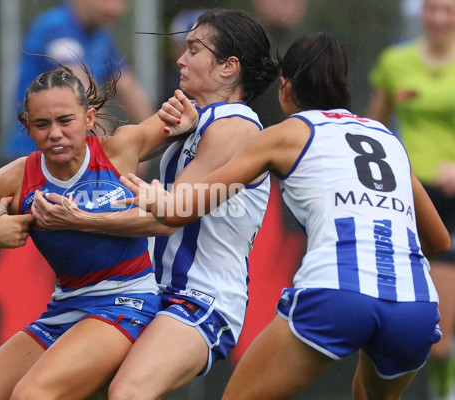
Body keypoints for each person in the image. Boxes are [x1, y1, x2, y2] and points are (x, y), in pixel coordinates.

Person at [120, 32, 451, 399]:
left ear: (286, 88)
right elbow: (439, 241)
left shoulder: (284, 135)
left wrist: (153, 195)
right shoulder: (387, 138)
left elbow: (184, 209)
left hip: (336, 292)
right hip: (415, 305)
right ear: (344, 87)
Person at [24, 9, 279, 398]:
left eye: (194, 49)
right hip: (151, 293)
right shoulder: (198, 120)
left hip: (199, 299)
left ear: (230, 66)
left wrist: (80, 219)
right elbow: (103, 150)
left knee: (127, 392)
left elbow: (166, 218)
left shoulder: (235, 126)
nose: (181, 58)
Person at [0, 63, 192, 400]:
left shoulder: (120, 149)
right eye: (41, 124)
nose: (54, 133)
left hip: (126, 302)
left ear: (89, 118)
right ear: (27, 127)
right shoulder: (13, 181)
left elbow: (189, 110)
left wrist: (189, 119)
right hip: (65, 308)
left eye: (65, 120)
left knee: (32, 396)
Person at [367, 0, 455, 397]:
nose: (438, 18)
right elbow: (374, 129)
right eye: (432, 9)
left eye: (448, 10)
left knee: (439, 333)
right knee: (432, 333)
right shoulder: (396, 61)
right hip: (416, 204)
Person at [3, 0, 154, 158]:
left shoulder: (101, 36)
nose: (116, 9)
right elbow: (81, 86)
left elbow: (127, 86)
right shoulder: (56, 26)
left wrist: (154, 138)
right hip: (33, 155)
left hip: (70, 157)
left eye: (121, 2)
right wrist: (112, 151)